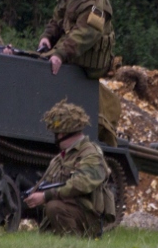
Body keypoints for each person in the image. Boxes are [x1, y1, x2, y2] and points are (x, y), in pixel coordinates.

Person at [23, 100, 115, 237]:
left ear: (64, 133)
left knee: (54, 207)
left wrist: (45, 196)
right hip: (69, 210)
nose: (55, 137)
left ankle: (73, 240)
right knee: (52, 207)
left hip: (88, 216)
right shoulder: (60, 158)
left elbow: (81, 184)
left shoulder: (91, 154)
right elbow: (49, 183)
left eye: (56, 133)